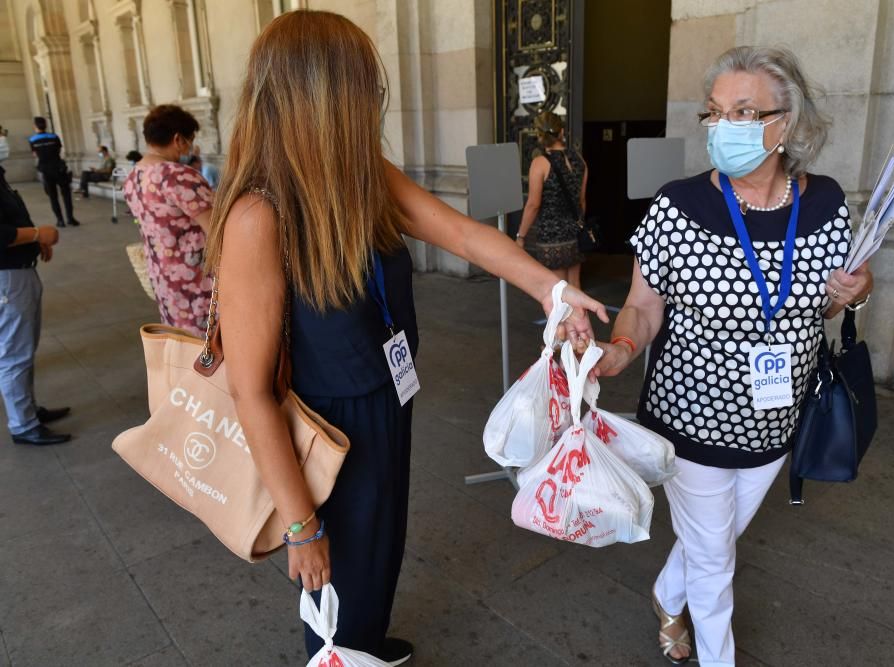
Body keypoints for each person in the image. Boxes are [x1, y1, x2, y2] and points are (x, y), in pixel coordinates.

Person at [203, 11, 607, 665]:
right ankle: (342, 651)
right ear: (325, 95)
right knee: (337, 568)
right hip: (323, 420)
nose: (375, 94)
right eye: (363, 81)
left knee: (378, 549)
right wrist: (300, 524)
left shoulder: (361, 173)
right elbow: (248, 390)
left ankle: (365, 639)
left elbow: (464, 235)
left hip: (385, 394)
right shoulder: (258, 214)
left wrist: (552, 290)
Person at [592, 46, 874, 666]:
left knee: (713, 537)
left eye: (744, 112)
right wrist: (619, 346)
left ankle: (667, 594)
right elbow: (642, 305)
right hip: (692, 414)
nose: (725, 127)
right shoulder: (677, 206)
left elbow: (824, 306)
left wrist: (856, 291)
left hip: (778, 416)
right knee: (716, 561)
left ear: (787, 123)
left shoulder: (826, 204)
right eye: (715, 113)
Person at [122, 105, 214, 336]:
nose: (190, 147)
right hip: (196, 276)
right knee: (211, 344)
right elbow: (217, 229)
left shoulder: (133, 177)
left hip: (163, 274)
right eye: (190, 139)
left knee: (182, 340)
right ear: (178, 139)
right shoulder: (178, 175)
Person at [0, 161, 72, 445]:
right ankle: (23, 425)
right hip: (7, 277)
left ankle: (27, 410)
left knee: (22, 348)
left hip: (16, 271)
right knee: (14, 353)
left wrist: (32, 242)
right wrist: (36, 235)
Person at [515, 112, 589, 289]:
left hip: (551, 236)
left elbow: (533, 204)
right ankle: (579, 317)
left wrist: (521, 236)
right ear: (562, 132)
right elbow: (582, 201)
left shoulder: (540, 163)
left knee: (558, 292)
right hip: (574, 234)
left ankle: (563, 319)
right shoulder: (580, 160)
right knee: (574, 287)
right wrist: (576, 225)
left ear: (540, 135)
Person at [28, 117, 79, 228]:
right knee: (66, 194)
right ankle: (70, 218)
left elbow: (35, 154)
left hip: (46, 170)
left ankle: (60, 220)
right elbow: (58, 150)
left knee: (53, 197)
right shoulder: (54, 137)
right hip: (58, 168)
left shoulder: (32, 140)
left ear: (35, 126)